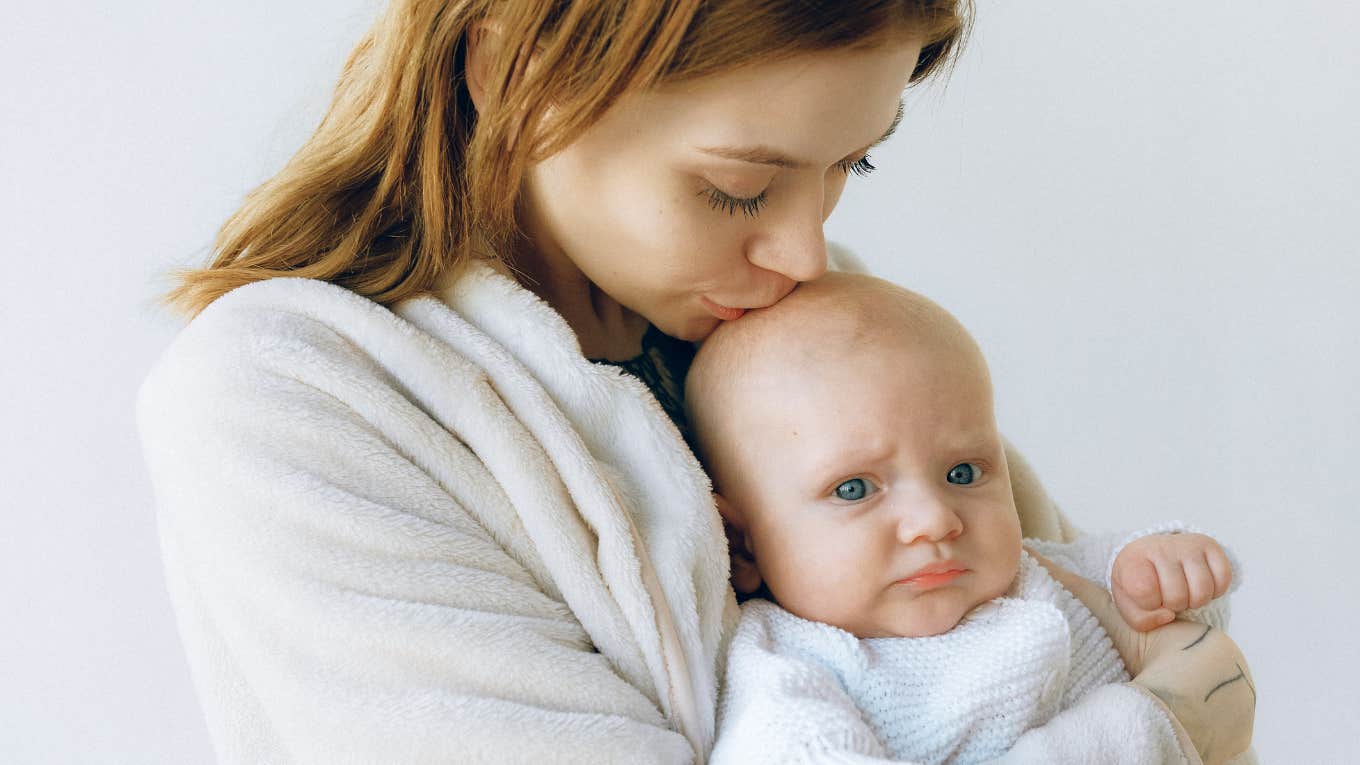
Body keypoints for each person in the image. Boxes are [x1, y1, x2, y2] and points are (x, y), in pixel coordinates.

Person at [136, 1, 1253, 762]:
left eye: (848, 166)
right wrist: (1163, 725)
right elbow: (1183, 694)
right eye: (736, 186)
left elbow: (1061, 617)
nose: (806, 254)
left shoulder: (799, 325)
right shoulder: (295, 402)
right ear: (513, 72)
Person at [685, 272, 1257, 764]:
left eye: (962, 473)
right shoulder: (792, 670)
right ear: (742, 546)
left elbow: (1177, 616)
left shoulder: (1036, 572)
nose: (935, 521)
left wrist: (1160, 567)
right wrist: (1134, 730)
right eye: (855, 488)